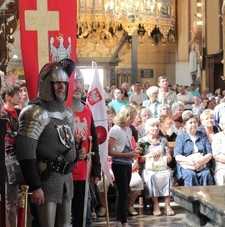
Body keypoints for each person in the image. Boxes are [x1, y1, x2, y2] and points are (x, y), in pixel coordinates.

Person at [16, 58, 77, 226]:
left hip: (65, 177)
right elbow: (25, 153)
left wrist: (78, 152)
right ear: (46, 84)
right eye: (56, 83)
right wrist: (35, 186)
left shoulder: (68, 113)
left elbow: (69, 142)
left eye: (64, 83)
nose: (61, 86)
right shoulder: (34, 112)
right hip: (45, 179)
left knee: (65, 225)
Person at [71, 68, 101, 226]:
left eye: (80, 82)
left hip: (85, 171)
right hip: (65, 172)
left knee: (84, 216)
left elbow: (94, 142)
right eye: (74, 82)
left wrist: (96, 170)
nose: (77, 86)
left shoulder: (87, 111)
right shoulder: (63, 110)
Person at [108, 105, 141, 226]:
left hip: (127, 163)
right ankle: (123, 221)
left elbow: (128, 146)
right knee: (123, 192)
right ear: (124, 116)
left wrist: (134, 150)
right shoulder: (115, 130)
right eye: (131, 118)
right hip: (118, 163)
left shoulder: (128, 129)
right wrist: (127, 155)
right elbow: (109, 151)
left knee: (124, 191)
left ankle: (120, 218)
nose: (132, 121)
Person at [138, 118, 175, 216]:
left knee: (168, 174)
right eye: (152, 126)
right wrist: (149, 155)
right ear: (147, 128)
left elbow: (169, 158)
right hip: (149, 168)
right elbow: (139, 160)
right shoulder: (144, 141)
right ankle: (155, 205)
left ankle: (167, 205)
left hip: (162, 167)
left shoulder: (163, 140)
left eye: (157, 126)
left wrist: (161, 155)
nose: (155, 128)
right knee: (151, 176)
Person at [174, 111, 214, 186]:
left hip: (202, 163)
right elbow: (177, 156)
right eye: (190, 122)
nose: (193, 124)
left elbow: (209, 153)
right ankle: (191, 197)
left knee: (206, 173)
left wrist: (201, 162)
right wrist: (194, 163)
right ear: (185, 125)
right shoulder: (181, 137)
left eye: (195, 122)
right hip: (186, 165)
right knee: (190, 174)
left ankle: (206, 197)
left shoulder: (202, 135)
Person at [1, 83, 21, 227]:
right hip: (8, 159)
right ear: (8, 96)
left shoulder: (19, 112)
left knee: (17, 198)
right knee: (10, 199)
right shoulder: (2, 114)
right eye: (16, 94)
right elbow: (8, 138)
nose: (19, 96)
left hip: (19, 158)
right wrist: (17, 136)